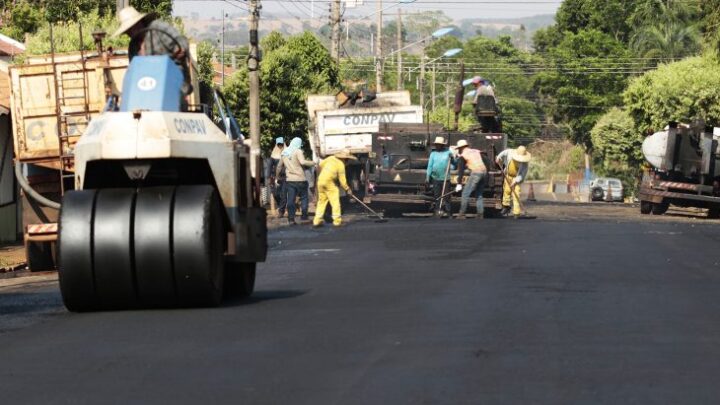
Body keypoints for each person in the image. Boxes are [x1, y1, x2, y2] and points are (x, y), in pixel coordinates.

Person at [113, 6, 192, 96]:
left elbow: (181, 42)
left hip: (175, 86)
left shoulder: (158, 28)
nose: (129, 33)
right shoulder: (133, 47)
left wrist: (180, 50)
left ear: (139, 23)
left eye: (130, 29)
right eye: (127, 31)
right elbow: (134, 70)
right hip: (149, 90)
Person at [313, 149, 356, 228]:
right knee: (335, 203)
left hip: (320, 181)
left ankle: (317, 221)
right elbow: (343, 181)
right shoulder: (341, 165)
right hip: (329, 183)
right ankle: (337, 222)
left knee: (321, 202)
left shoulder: (330, 158)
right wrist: (348, 189)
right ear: (346, 158)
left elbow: (321, 164)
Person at [277, 137, 315, 225]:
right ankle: (304, 216)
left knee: (291, 199)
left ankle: (291, 219)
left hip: (290, 180)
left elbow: (279, 166)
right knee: (304, 198)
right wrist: (313, 162)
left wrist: (277, 176)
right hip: (301, 179)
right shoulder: (298, 151)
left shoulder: (284, 153)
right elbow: (302, 162)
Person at [454, 139, 488, 219]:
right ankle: (480, 214)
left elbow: (461, 171)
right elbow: (486, 161)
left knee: (465, 193)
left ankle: (462, 214)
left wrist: (459, 184)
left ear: (461, 148)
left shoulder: (463, 156)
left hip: (476, 172)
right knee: (479, 194)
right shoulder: (476, 151)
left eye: (458, 149)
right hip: (484, 172)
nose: (458, 150)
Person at [495, 146, 532, 218]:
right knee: (506, 191)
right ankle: (506, 207)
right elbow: (504, 152)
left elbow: (522, 175)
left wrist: (515, 182)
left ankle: (516, 213)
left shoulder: (524, 164)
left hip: (516, 179)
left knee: (516, 195)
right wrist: (498, 157)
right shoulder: (510, 152)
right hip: (508, 176)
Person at [426, 136, 455, 217]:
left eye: (439, 144)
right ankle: (438, 211)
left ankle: (449, 212)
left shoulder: (448, 152)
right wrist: (427, 178)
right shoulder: (433, 154)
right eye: (436, 144)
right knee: (437, 196)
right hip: (435, 177)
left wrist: (452, 158)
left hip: (446, 178)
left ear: (442, 145)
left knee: (447, 196)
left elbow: (454, 163)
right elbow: (430, 166)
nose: (437, 146)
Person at [269, 137, 287, 217]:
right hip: (275, 177)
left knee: (283, 194)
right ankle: (281, 206)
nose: (280, 146)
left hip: (285, 177)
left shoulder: (287, 153)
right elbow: (270, 166)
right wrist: (269, 177)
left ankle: (281, 211)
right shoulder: (273, 155)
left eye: (281, 144)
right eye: (278, 144)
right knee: (275, 193)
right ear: (276, 144)